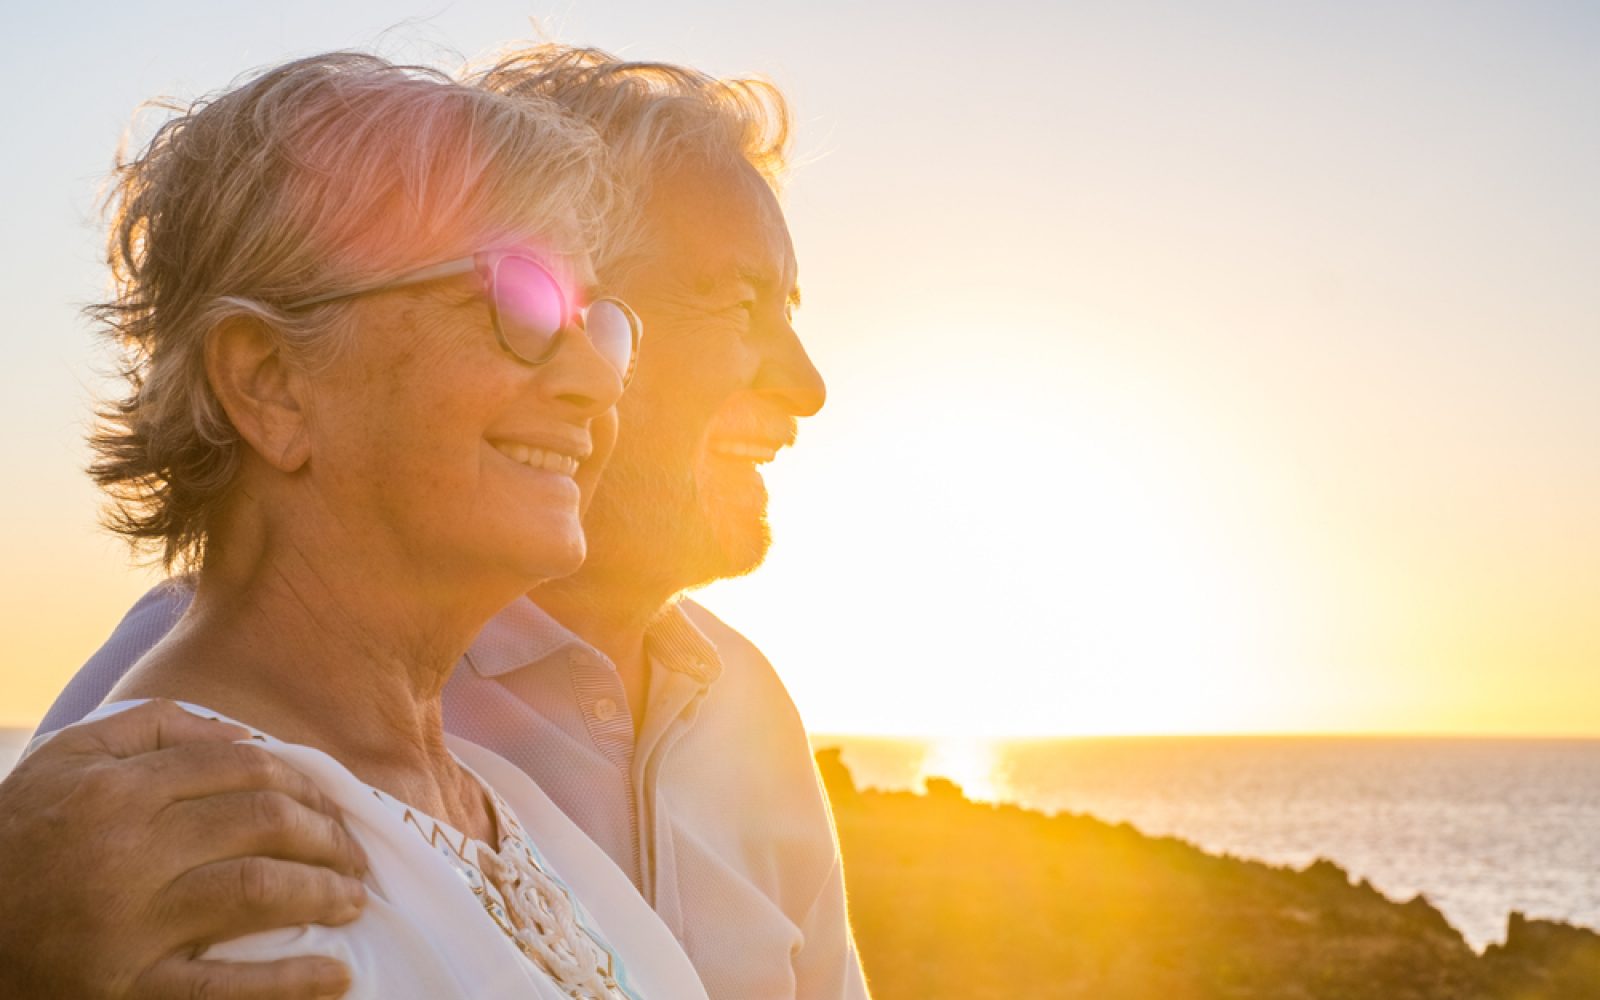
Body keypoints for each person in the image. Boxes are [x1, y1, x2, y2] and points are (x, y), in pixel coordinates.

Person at [10, 45, 868, 1000]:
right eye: (519, 300)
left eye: (598, 322)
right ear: (270, 382)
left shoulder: (508, 811)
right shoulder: (181, 829)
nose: (594, 380)